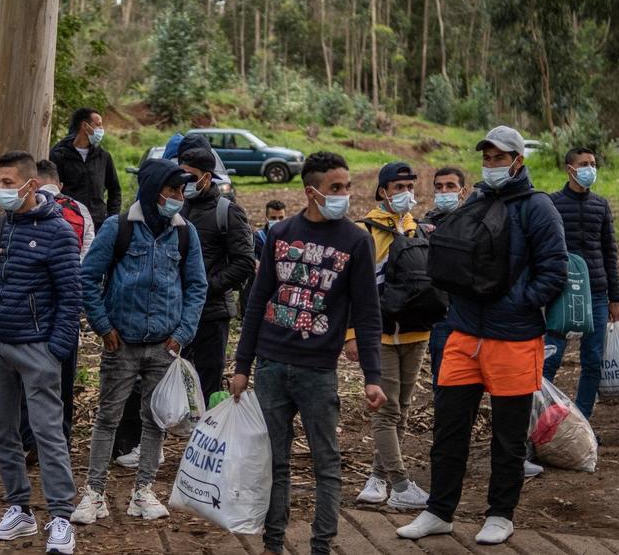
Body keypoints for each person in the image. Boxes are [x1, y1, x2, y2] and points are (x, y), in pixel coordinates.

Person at [398, 126, 567, 546]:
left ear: (518, 161)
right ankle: (439, 510)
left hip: (513, 337)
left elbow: (555, 271)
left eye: (499, 157)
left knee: (508, 435)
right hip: (464, 332)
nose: (491, 164)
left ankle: (500, 513)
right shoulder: (473, 202)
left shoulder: (537, 208)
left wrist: (519, 302)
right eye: (487, 158)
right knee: (449, 428)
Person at [231, 151, 387, 555]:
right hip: (270, 366)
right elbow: (257, 301)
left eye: (348, 187)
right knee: (274, 464)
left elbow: (368, 314)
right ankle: (272, 544)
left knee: (326, 465)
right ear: (311, 191)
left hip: (318, 371)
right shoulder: (281, 233)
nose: (344, 195)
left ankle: (321, 546)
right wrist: (242, 366)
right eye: (336, 188)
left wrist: (372, 376)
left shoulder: (356, 240)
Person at [71, 157, 207, 525]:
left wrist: (181, 335)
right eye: (172, 190)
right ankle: (94, 493)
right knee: (108, 418)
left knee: (155, 420)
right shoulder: (118, 229)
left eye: (181, 190)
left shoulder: (184, 232)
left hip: (164, 345)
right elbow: (87, 279)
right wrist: (102, 326)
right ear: (152, 191)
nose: (179, 196)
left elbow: (197, 286)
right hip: (122, 344)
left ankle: (143, 491)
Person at [0, 151, 81, 554]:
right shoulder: (0, 226)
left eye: (9, 183)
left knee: (49, 434)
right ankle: (19, 509)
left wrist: (55, 350)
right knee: (0, 432)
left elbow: (72, 296)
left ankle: (61, 517)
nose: (2, 190)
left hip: (37, 348)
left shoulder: (59, 232)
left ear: (32, 185)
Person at [354, 161, 433, 511]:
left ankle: (378, 479)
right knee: (386, 412)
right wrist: (351, 334)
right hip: (380, 336)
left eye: (410, 187)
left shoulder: (419, 230)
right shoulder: (364, 232)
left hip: (417, 333)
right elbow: (351, 289)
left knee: (400, 409)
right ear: (383, 191)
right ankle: (400, 484)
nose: (406, 194)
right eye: (398, 187)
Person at [18, 158, 94, 462]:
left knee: (26, 378)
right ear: (59, 182)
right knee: (62, 378)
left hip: (27, 311)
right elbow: (88, 258)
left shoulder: (23, 208)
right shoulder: (79, 210)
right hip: (66, 309)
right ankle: (59, 441)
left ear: (33, 182)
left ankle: (29, 439)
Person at [544, 147, 619, 423]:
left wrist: (616, 297)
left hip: (598, 293)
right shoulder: (551, 203)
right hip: (561, 292)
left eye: (593, 163)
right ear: (570, 168)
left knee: (592, 361)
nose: (590, 168)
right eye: (584, 164)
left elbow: (609, 251)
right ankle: (541, 420)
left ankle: (581, 423)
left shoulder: (601, 205)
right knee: (550, 359)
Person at [178, 146, 255, 402]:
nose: (184, 183)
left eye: (190, 176)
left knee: (207, 382)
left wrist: (206, 287)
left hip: (211, 313)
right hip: (176, 313)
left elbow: (244, 262)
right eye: (180, 176)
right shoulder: (175, 209)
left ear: (207, 176)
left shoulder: (227, 212)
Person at [419, 167, 470, 385]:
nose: (444, 191)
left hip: (469, 314)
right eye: (439, 187)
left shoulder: (474, 224)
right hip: (440, 314)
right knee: (441, 374)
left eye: (450, 186)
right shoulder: (424, 227)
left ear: (462, 191)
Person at [50, 108, 121, 225]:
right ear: (85, 126)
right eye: (98, 125)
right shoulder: (59, 155)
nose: (101, 129)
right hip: (68, 223)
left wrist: (111, 218)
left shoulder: (103, 156)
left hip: (97, 224)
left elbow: (115, 190)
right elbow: (52, 190)